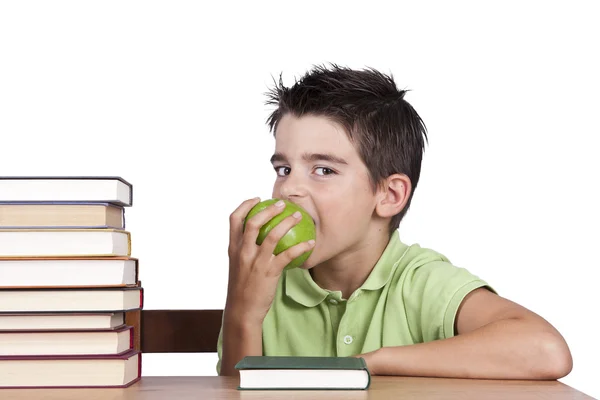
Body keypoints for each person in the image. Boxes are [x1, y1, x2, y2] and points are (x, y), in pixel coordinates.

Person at [217, 64, 573, 379]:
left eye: (323, 169)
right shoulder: (263, 283)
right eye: (284, 169)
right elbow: (235, 393)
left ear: (389, 195)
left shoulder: (419, 281)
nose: (289, 188)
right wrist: (243, 310)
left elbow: (545, 350)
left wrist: (372, 362)